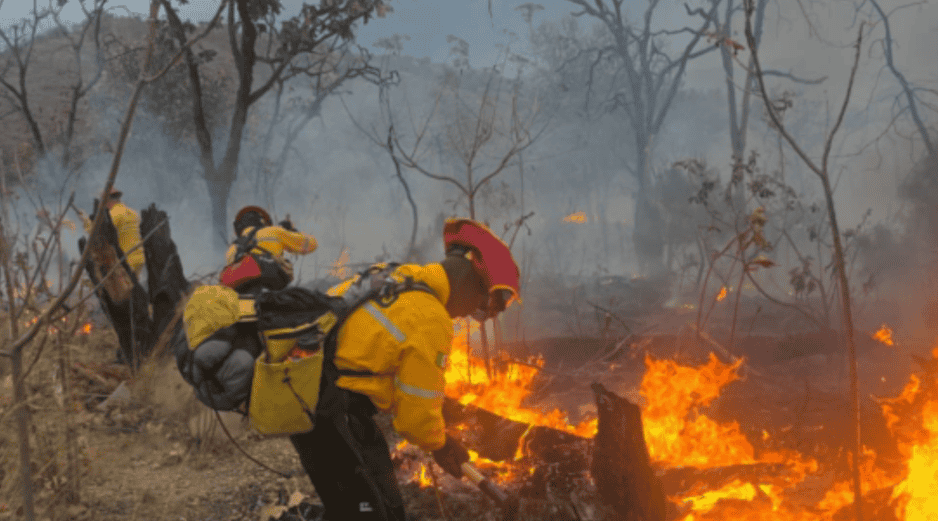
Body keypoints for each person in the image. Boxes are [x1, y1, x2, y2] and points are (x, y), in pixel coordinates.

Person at [289, 218, 521, 521]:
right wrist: (443, 444)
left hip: (314, 404)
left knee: (351, 508)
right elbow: (415, 417)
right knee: (379, 513)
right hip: (340, 417)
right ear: (470, 281)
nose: (472, 316)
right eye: (481, 305)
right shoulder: (430, 317)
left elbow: (380, 361)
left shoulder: (397, 277)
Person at [220, 205, 318, 295]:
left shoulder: (232, 248)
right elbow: (311, 245)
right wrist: (291, 232)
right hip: (272, 289)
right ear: (262, 221)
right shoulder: (272, 232)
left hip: (242, 296)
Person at [80, 187, 146, 277]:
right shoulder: (133, 213)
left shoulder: (113, 215)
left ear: (107, 201)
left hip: (126, 261)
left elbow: (98, 234)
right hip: (139, 259)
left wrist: (85, 222)